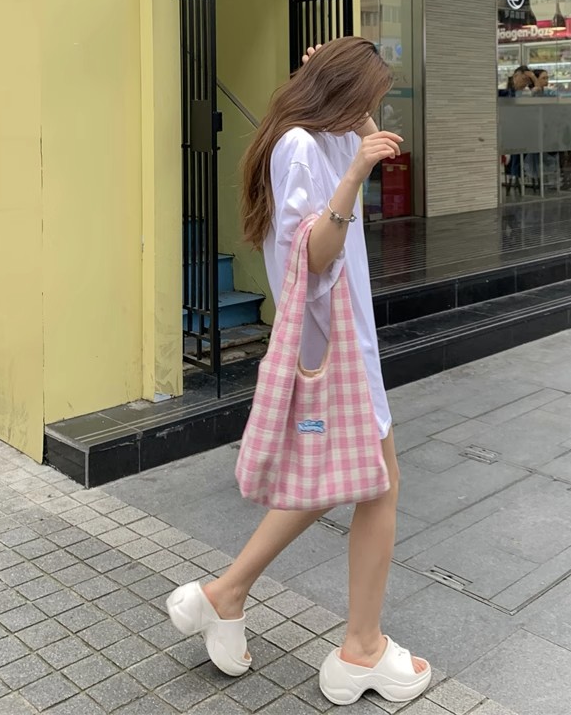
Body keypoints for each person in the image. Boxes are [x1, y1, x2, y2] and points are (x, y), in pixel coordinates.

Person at [165, 37, 432, 707]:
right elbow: (311, 255)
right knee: (377, 484)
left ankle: (225, 595)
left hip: (341, 342)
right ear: (339, 99)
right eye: (368, 100)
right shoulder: (301, 148)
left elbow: (366, 141)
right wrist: (355, 174)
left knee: (347, 480)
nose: (373, 115)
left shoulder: (316, 135)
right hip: (334, 346)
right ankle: (360, 648)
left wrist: (350, 106)